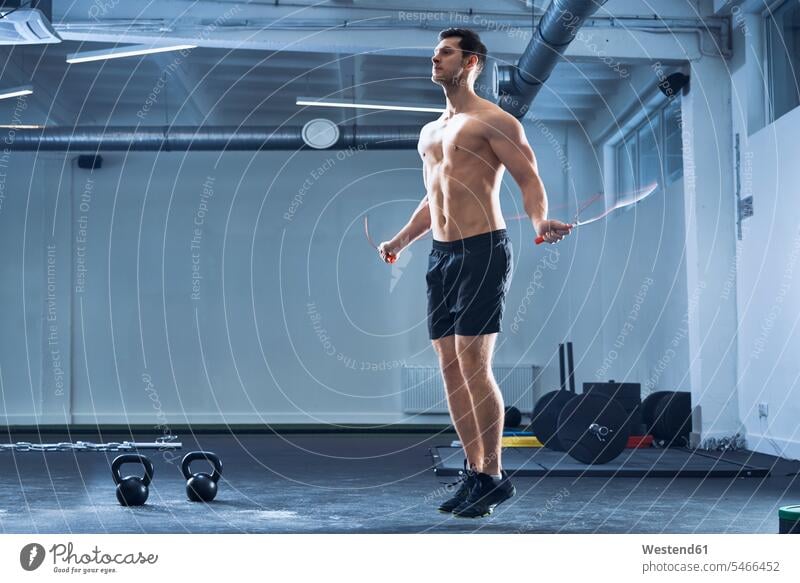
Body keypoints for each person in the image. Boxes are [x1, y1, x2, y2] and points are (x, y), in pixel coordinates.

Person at [378, 28, 572, 518]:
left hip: (484, 249)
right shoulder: (430, 132)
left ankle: (493, 475)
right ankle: (475, 471)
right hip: (441, 257)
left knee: (472, 364)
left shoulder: (494, 121)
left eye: (445, 53)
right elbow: (434, 197)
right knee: (448, 367)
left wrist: (539, 220)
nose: (435, 59)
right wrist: (401, 240)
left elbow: (529, 178)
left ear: (471, 63)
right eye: (434, 52)